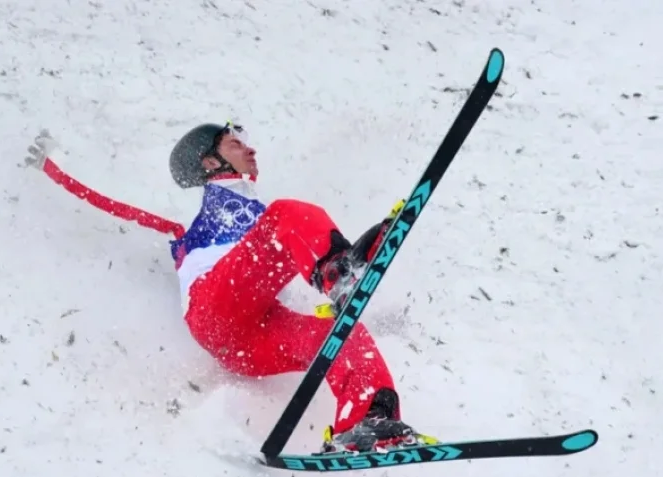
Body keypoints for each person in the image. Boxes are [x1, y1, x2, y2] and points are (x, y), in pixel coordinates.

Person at [24, 123, 435, 453]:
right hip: (214, 310)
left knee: (344, 334)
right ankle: (340, 273)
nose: (251, 149)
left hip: (251, 339)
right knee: (287, 215)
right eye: (236, 142)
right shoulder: (198, 220)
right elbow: (118, 206)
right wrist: (53, 167)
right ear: (208, 161)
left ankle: (370, 423)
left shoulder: (259, 214)